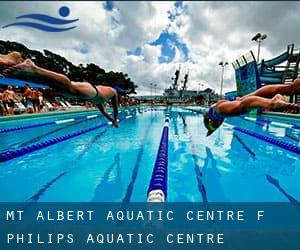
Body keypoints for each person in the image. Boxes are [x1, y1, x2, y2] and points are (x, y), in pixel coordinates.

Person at [4, 59, 132, 127]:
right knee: (68, 86)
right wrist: (115, 119)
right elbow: (115, 108)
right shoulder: (113, 92)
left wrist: (112, 120)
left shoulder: (103, 98)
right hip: (91, 91)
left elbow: (103, 111)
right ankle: (33, 67)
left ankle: (17, 63)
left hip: (89, 91)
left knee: (56, 86)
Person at [204, 78, 300, 136]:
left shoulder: (216, 118)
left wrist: (210, 130)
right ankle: (290, 88)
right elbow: (207, 119)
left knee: (242, 105)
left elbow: (208, 122)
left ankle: (271, 103)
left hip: (219, 110)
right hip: (220, 106)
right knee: (252, 96)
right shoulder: (216, 117)